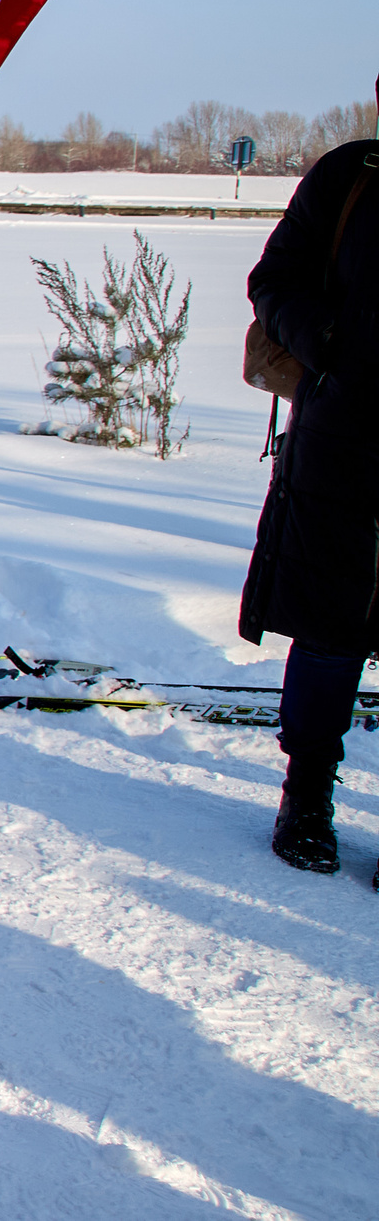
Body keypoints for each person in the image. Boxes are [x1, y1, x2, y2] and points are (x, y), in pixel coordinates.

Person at [242, 115, 379, 884]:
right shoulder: (353, 173)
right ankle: (307, 796)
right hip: (344, 440)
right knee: (331, 630)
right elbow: (275, 278)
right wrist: (327, 344)